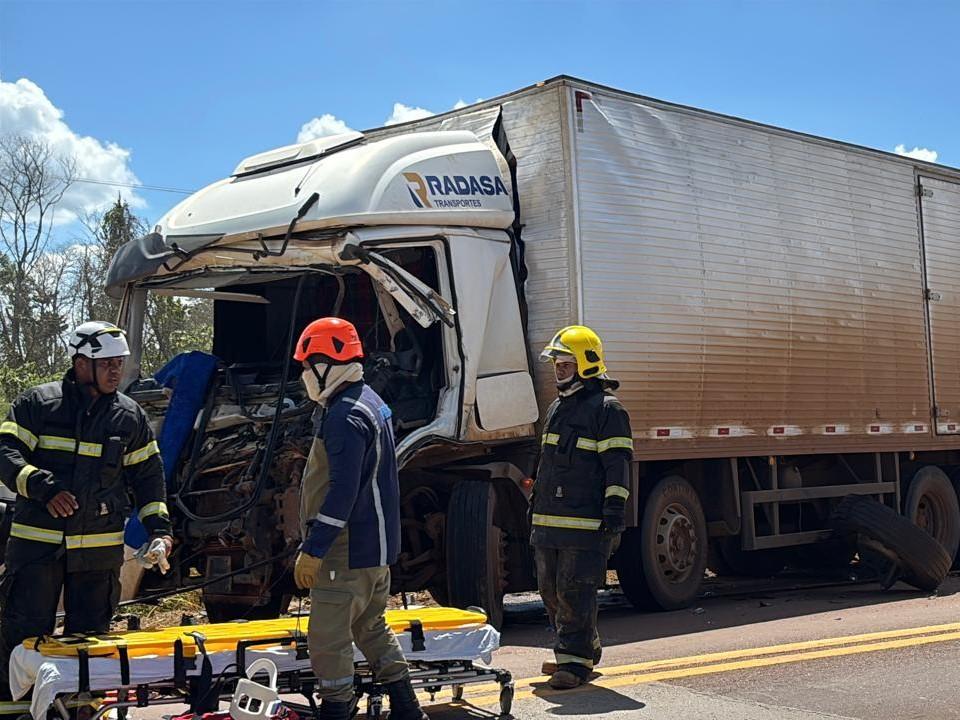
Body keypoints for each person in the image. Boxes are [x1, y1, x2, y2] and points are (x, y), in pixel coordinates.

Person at [0, 321, 173, 717]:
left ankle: (82, 710)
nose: (116, 371)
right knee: (23, 634)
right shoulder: (38, 404)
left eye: (120, 363)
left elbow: (149, 478)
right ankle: (13, 710)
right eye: (107, 363)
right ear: (80, 364)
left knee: (91, 639)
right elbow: (5, 453)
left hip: (97, 554)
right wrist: (42, 487)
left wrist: (160, 531)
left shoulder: (129, 417)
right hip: (37, 547)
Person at [291, 317, 427, 720]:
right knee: (371, 626)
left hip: (345, 550)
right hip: (374, 547)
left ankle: (338, 708)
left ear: (325, 365)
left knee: (327, 637)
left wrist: (314, 549)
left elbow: (342, 491)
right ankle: (407, 708)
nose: (304, 374)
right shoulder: (370, 401)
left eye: (306, 366)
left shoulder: (343, 416)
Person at [530, 325, 633, 690]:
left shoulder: (607, 410)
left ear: (587, 365)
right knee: (549, 590)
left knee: (575, 590)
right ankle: (580, 647)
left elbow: (618, 465)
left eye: (566, 365)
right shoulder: (557, 408)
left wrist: (614, 509)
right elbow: (547, 465)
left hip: (585, 522)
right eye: (557, 365)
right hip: (548, 520)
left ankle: (574, 662)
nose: (559, 372)